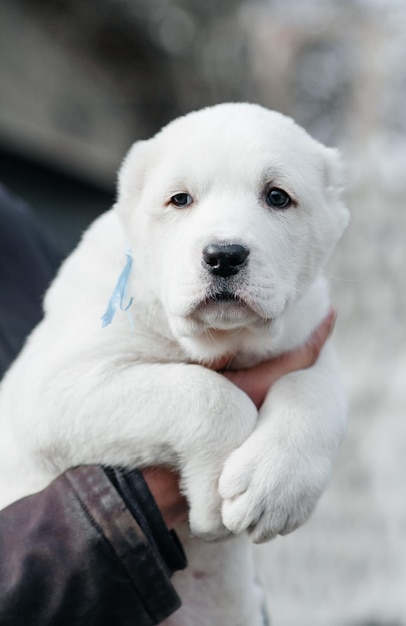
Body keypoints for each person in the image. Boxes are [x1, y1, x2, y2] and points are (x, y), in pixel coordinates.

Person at [0, 184, 335, 625]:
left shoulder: (15, 235)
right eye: (181, 199)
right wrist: (142, 502)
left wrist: (302, 415)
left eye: (276, 198)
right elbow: (47, 406)